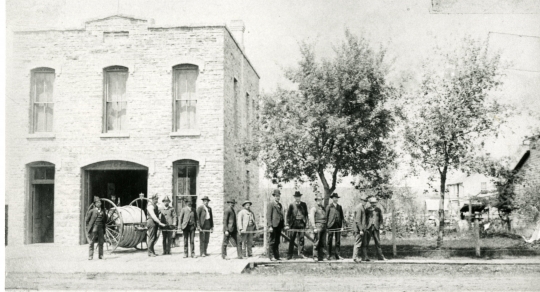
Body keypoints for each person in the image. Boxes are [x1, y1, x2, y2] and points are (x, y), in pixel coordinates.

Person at [285, 191, 308, 260]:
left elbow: (306, 215)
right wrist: (288, 224)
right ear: (295, 197)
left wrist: (306, 223)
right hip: (294, 224)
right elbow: (288, 215)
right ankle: (290, 255)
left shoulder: (304, 204)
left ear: (300, 197)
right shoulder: (292, 205)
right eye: (296, 197)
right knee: (292, 239)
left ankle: (301, 254)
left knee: (301, 239)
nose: (298, 198)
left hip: (301, 224)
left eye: (299, 197)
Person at [362, 197, 387, 261]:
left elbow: (381, 219)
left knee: (378, 242)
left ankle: (380, 257)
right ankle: (365, 257)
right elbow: (364, 219)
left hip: (376, 227)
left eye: (375, 203)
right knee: (366, 243)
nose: (374, 204)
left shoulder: (378, 209)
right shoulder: (367, 209)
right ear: (370, 203)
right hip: (368, 227)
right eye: (372, 203)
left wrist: (381, 227)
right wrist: (364, 227)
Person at [326, 193, 346, 260]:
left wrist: (342, 226)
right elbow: (326, 217)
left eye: (337, 198)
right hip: (330, 226)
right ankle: (329, 255)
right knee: (329, 241)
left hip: (338, 226)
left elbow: (342, 217)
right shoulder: (329, 206)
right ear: (332, 198)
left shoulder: (339, 207)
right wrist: (326, 227)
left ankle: (337, 255)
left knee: (337, 241)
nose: (336, 199)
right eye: (334, 198)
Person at [267, 189, 285, 261]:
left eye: (279, 196)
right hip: (273, 226)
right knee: (272, 241)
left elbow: (281, 215)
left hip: (279, 226)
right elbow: (268, 216)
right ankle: (270, 256)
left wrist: (283, 225)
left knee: (277, 241)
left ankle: (276, 256)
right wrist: (270, 226)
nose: (278, 197)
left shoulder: (280, 205)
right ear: (274, 196)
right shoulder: (271, 204)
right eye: (276, 196)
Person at [310, 195, 327, 262]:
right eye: (318, 200)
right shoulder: (314, 208)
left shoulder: (323, 208)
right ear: (316, 201)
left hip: (324, 226)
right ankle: (315, 257)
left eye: (321, 200)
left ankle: (322, 256)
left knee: (323, 242)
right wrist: (314, 227)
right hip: (317, 226)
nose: (320, 201)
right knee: (316, 242)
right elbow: (311, 218)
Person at [352, 194, 368, 263]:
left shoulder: (362, 207)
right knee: (358, 244)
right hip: (358, 230)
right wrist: (361, 229)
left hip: (361, 229)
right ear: (361, 200)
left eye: (366, 201)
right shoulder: (359, 208)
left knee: (362, 244)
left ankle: (363, 257)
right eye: (364, 200)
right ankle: (355, 258)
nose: (365, 202)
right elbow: (358, 220)